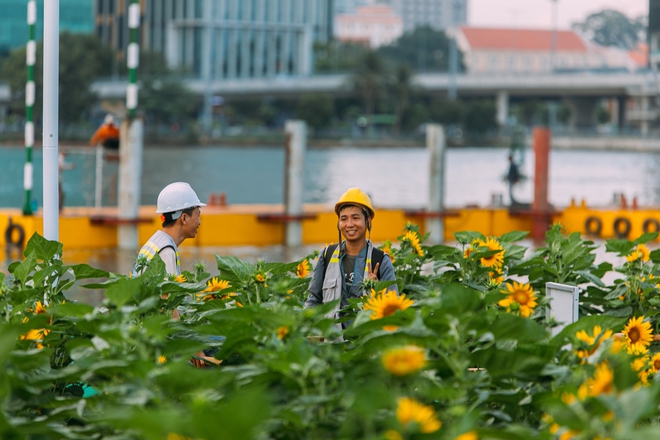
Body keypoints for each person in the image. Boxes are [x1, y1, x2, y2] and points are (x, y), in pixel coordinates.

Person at [305, 188, 397, 328]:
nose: (349, 224)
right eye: (344, 219)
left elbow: (393, 310)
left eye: (355, 218)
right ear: (338, 223)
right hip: (332, 344)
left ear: (368, 221)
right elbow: (314, 300)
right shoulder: (327, 256)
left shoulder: (381, 260)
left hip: (364, 343)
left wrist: (378, 290)